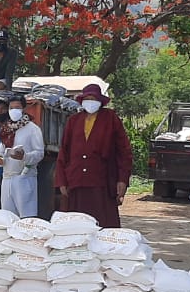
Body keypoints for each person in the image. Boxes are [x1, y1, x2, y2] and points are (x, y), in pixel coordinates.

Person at [55, 84, 133, 228]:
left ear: (100, 101)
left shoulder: (110, 118)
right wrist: (61, 180)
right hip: (76, 179)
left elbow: (124, 151)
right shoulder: (74, 121)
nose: (90, 101)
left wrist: (122, 179)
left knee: (103, 222)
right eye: (87, 98)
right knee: (76, 223)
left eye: (93, 98)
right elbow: (64, 152)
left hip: (101, 180)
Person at [0, 94, 44, 217]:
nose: (14, 111)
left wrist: (24, 156)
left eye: (17, 107)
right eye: (11, 108)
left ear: (23, 108)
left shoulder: (33, 129)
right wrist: (0, 159)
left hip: (24, 177)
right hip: (7, 177)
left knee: (26, 216)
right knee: (8, 216)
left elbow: (39, 153)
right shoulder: (6, 129)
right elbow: (1, 150)